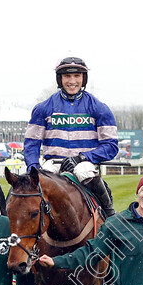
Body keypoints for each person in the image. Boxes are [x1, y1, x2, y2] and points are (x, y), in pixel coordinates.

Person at [24, 56, 119, 216]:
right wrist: (33, 168)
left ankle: (109, 216)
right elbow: (31, 144)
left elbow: (111, 146)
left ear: (84, 78)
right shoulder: (43, 108)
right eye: (67, 76)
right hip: (52, 164)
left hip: (85, 163)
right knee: (31, 184)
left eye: (77, 76)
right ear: (60, 79)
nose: (72, 81)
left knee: (83, 171)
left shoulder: (100, 108)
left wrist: (82, 157)